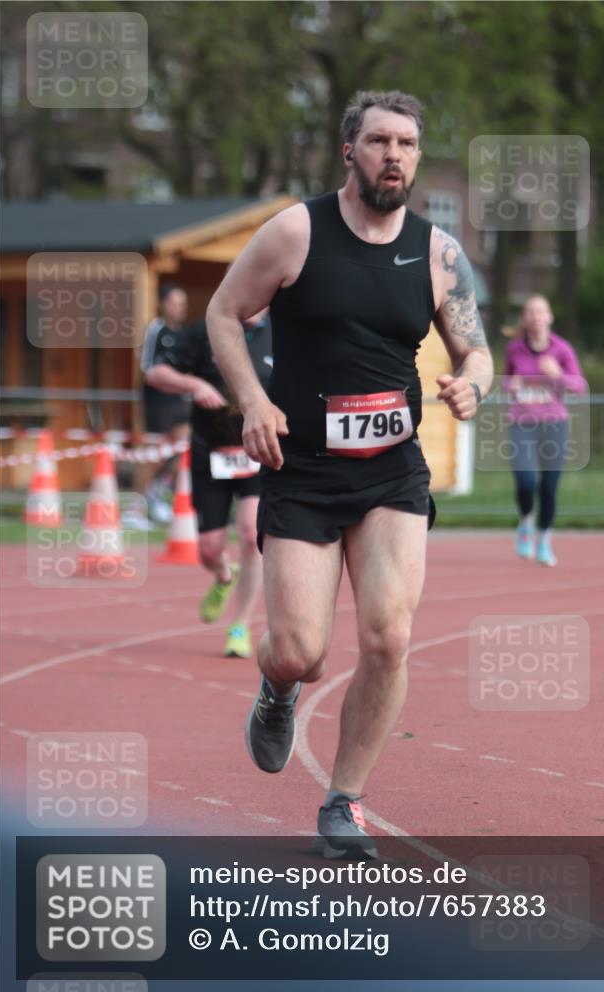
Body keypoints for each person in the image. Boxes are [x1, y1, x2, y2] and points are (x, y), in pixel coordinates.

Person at [206, 90, 493, 857]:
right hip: (300, 469)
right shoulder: (296, 231)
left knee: (389, 634)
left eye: (405, 143)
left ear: (416, 156)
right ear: (349, 150)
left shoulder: (438, 253)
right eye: (377, 141)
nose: (392, 155)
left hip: (391, 472)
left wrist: (474, 383)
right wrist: (253, 400)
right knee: (299, 649)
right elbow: (223, 314)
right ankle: (277, 690)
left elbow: (475, 349)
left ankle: (343, 799)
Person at [144, 310, 273, 658]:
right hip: (210, 452)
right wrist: (194, 385)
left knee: (251, 534)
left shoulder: (283, 330)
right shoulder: (207, 330)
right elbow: (155, 371)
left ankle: (239, 627)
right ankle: (222, 577)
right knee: (209, 550)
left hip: (257, 452)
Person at [504, 295, 587, 567]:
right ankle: (526, 521)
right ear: (525, 319)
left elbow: (579, 386)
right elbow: (506, 380)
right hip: (522, 423)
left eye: (540, 312)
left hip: (553, 424)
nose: (535, 317)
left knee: (549, 488)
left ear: (549, 317)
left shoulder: (562, 350)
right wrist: (511, 386)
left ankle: (544, 542)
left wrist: (557, 375)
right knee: (526, 482)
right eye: (530, 312)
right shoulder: (514, 349)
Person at [140, 285, 192, 524]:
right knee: (156, 453)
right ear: (162, 304)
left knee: (184, 447)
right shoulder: (155, 329)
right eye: (174, 303)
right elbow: (146, 367)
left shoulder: (183, 334)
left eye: (182, 304)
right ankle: (137, 506)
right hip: (158, 400)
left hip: (178, 399)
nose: (179, 308)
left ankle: (156, 493)